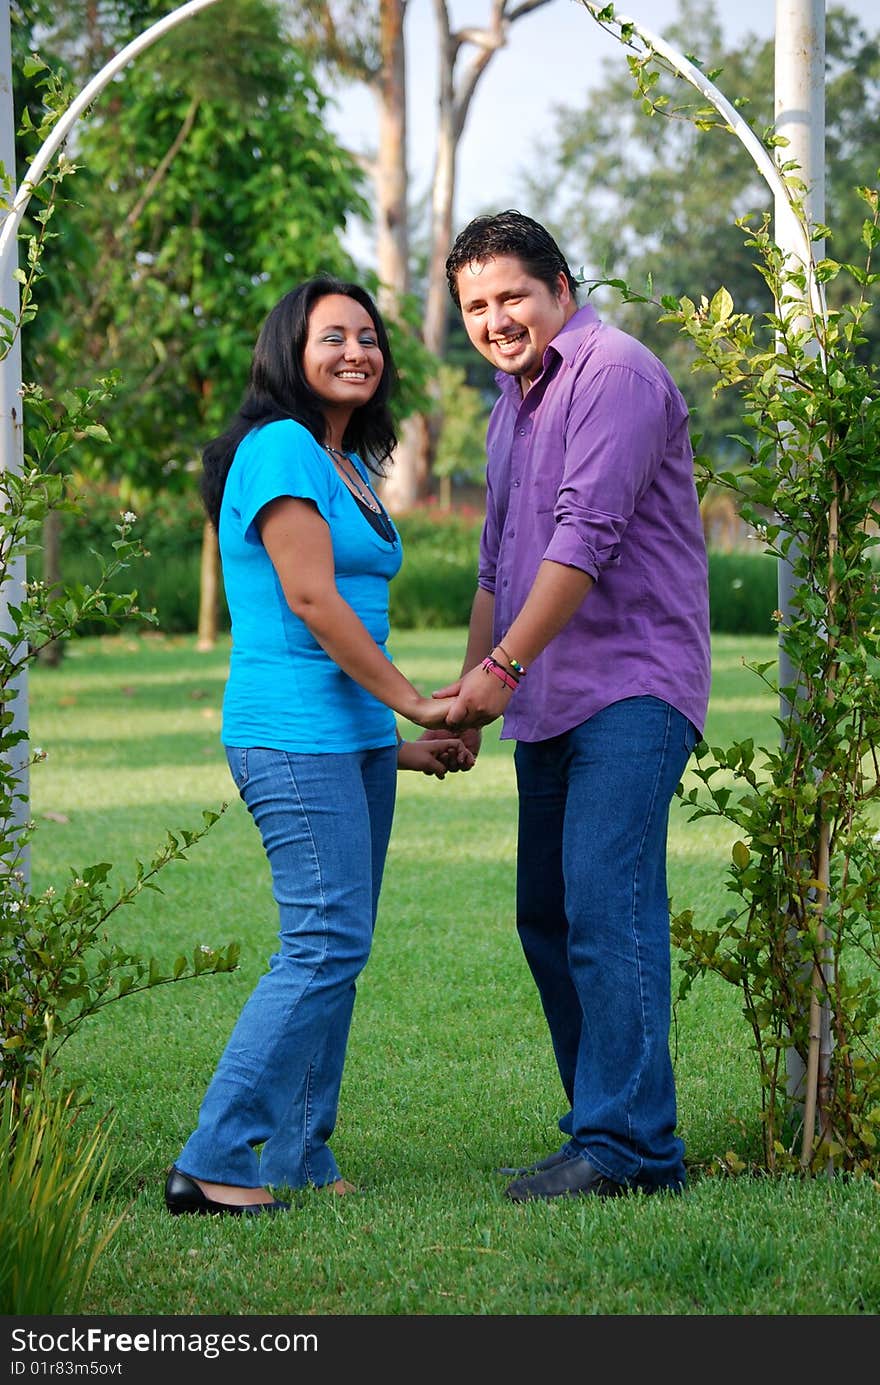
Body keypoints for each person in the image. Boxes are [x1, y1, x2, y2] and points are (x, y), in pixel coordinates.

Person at [165, 275, 473, 1217]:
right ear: (288, 352)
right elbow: (310, 604)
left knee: (341, 944)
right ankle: (216, 1156)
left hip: (342, 742)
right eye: (332, 335)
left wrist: (394, 746)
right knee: (323, 940)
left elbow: (342, 624)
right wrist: (417, 704)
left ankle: (298, 1150)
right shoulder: (280, 447)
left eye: (370, 337)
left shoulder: (345, 465)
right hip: (289, 732)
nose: (356, 350)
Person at [435, 210, 711, 1201]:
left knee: (604, 905)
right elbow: (495, 564)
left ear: (559, 283)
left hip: (631, 685)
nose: (496, 318)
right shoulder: (513, 403)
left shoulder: (616, 373)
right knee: (547, 915)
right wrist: (464, 702)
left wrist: (496, 672)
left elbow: (582, 540)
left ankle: (633, 1149)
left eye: (511, 294)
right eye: (475, 305)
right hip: (546, 694)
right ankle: (601, 1126)